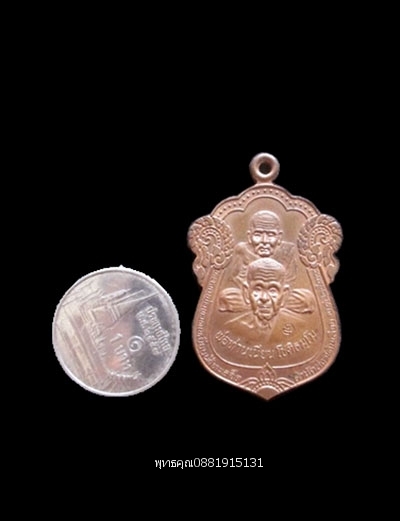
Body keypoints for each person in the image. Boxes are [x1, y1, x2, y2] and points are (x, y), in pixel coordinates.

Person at [219, 210, 296, 312]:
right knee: (226, 297)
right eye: (258, 234)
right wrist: (252, 291)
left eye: (271, 235)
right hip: (251, 294)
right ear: (249, 236)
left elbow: (290, 279)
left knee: (305, 300)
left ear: (279, 237)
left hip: (277, 295)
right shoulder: (242, 250)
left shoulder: (287, 251)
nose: (264, 241)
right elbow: (235, 277)